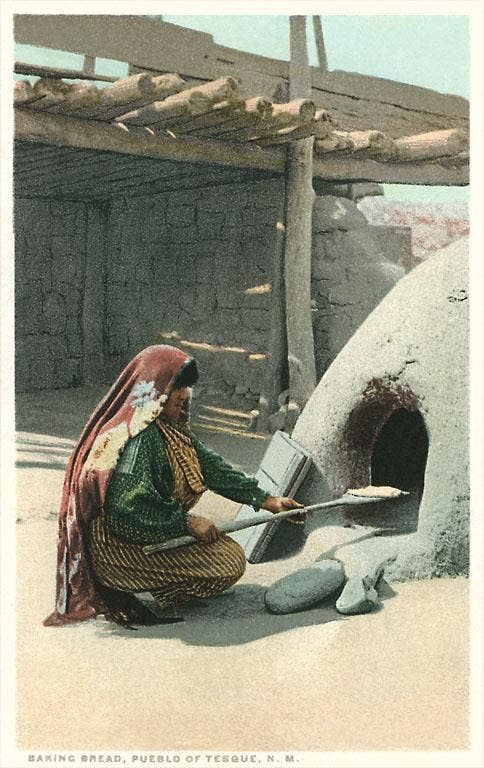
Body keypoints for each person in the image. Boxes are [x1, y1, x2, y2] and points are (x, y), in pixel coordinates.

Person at [44, 345, 303, 628]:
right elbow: (125, 511)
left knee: (226, 555)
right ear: (157, 390)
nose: (185, 394)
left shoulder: (170, 429)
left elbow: (212, 467)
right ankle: (132, 583)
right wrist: (186, 522)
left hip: (150, 531)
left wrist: (267, 501)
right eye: (178, 387)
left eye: (186, 387)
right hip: (119, 543)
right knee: (228, 562)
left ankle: (163, 586)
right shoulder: (139, 439)